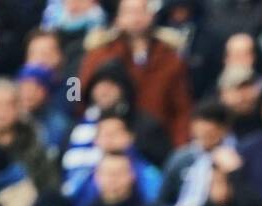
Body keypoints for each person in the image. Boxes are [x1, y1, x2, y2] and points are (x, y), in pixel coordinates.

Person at [79, 0, 193, 146]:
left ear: (152, 15)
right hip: (105, 136)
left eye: (141, 11)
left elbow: (182, 107)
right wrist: (72, 108)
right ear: (118, 18)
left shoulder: (170, 58)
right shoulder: (99, 53)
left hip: (155, 138)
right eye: (129, 12)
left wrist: (180, 144)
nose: (136, 18)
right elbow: (75, 84)